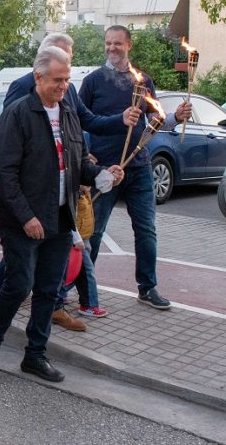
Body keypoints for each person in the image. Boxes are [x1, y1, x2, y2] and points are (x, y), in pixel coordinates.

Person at [0, 47, 124, 383]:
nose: (63, 86)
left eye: (67, 80)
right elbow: (5, 174)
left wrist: (103, 175)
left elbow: (79, 162)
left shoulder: (69, 113)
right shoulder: (17, 115)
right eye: (57, 80)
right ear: (38, 77)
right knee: (19, 285)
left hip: (60, 216)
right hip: (23, 220)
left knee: (49, 288)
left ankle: (35, 354)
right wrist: (27, 217)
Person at [78, 25, 190, 310]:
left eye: (117, 43)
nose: (112, 48)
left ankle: (148, 287)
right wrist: (85, 155)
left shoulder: (143, 82)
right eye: (108, 43)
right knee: (93, 232)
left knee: (146, 230)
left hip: (138, 166)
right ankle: (83, 291)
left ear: (129, 45)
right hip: (103, 169)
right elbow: (78, 122)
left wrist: (175, 117)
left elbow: (156, 122)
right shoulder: (92, 82)